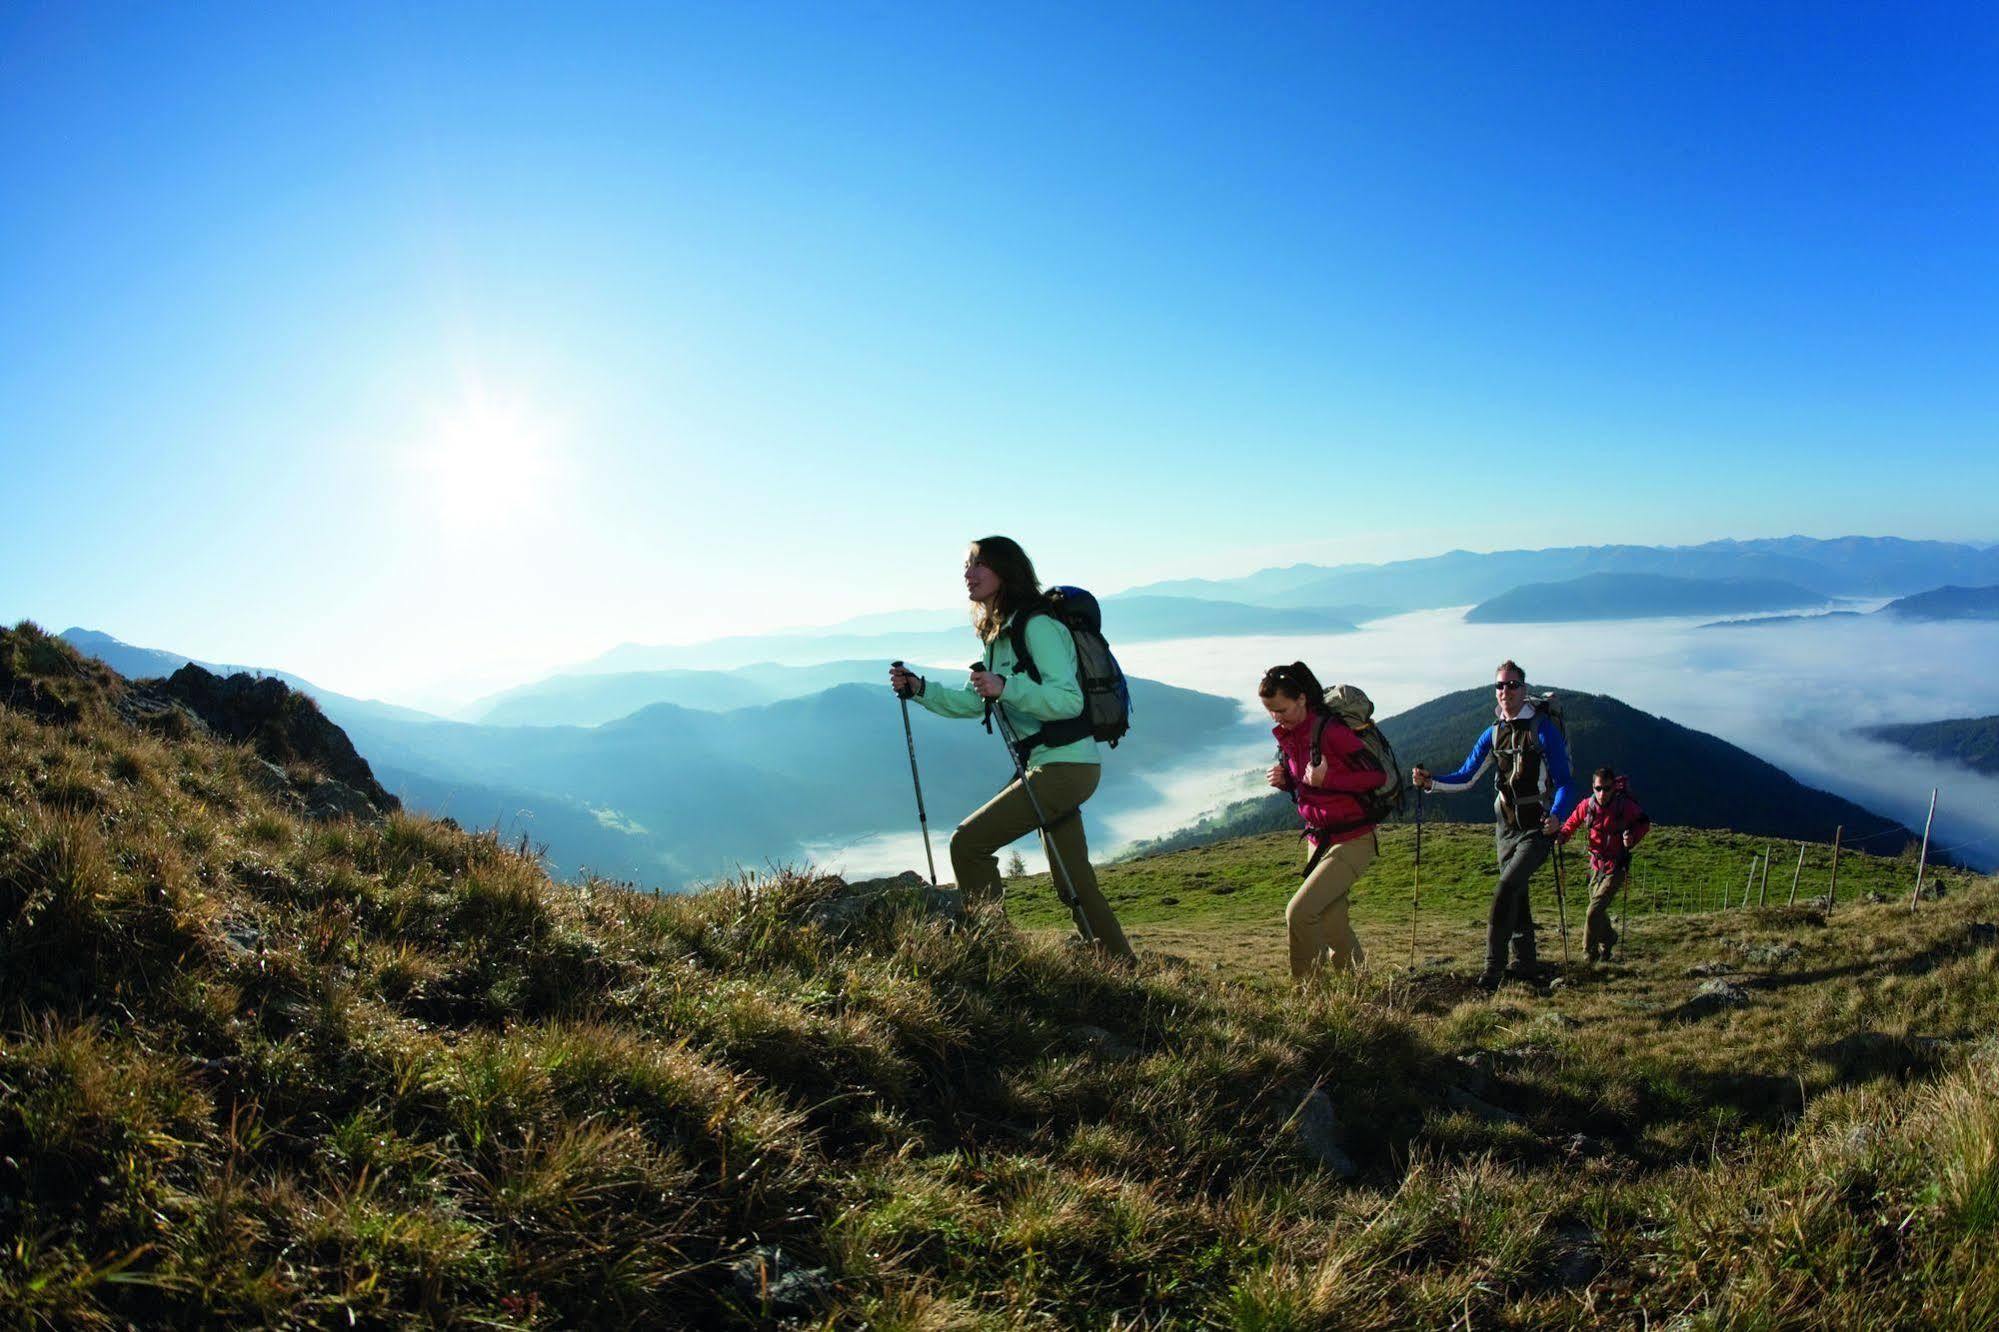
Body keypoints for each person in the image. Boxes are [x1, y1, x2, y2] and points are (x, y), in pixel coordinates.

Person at [887, 536, 1134, 961]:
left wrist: (1008, 687)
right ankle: (1122, 965)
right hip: (1047, 764)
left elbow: (1068, 700)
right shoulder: (999, 634)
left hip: (1065, 765)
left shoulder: (1038, 627)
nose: (968, 574)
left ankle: (997, 955)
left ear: (1006, 570)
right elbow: (974, 701)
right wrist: (920, 689)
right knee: (1072, 879)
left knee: (968, 844)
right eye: (966, 566)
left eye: (978, 565)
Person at [1410, 659, 1576, 990]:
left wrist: (1558, 816)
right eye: (1500, 686)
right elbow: (1467, 776)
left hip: (1537, 827)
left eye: (1512, 685)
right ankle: (1525, 963)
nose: (1505, 692)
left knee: (1505, 889)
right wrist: (1431, 783)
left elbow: (1566, 782)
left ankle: (1492, 971)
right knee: (1518, 894)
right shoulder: (1493, 733)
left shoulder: (1543, 730)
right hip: (1506, 825)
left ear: (1524, 689)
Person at [1261, 662, 1387, 982]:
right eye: (1270, 711)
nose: (1277, 717)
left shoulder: (1330, 731)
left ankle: (1311, 1001)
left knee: (1300, 913)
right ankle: (1359, 990)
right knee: (1332, 924)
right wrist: (1287, 781)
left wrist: (1328, 777)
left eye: (1282, 709)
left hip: (1352, 839)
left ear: (1302, 699)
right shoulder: (1291, 735)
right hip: (1319, 839)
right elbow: (1308, 783)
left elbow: (1375, 776)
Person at [1558, 766, 1651, 963]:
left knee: (1593, 911)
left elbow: (1644, 822)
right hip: (1595, 867)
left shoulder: (1624, 806)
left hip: (1616, 867)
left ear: (1614, 788)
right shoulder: (1587, 805)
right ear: (1593, 787)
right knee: (1597, 911)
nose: (1602, 793)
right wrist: (1563, 835)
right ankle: (1609, 940)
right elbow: (1572, 821)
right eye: (1598, 788)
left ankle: (1588, 953)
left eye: (1606, 788)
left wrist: (1632, 838)